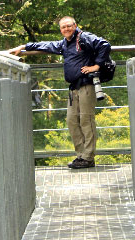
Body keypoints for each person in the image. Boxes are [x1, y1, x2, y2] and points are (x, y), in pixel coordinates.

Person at [8, 17, 111, 168]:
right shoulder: (64, 43)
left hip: (86, 85)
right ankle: (81, 155)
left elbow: (104, 45)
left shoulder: (83, 38)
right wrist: (24, 46)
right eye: (63, 27)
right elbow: (46, 45)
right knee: (71, 120)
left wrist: (96, 66)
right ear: (61, 30)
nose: (66, 29)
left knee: (86, 120)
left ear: (75, 26)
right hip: (73, 88)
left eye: (69, 26)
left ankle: (88, 157)